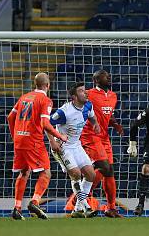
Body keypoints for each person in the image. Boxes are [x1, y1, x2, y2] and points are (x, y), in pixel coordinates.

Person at [7, 72, 68, 220]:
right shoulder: (45, 100)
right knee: (46, 173)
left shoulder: (24, 97)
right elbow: (45, 124)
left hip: (19, 140)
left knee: (24, 172)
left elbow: (10, 117)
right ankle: (35, 201)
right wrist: (60, 137)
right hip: (32, 141)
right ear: (47, 85)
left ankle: (17, 208)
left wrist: (14, 136)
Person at [50, 82, 101, 218]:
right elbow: (46, 124)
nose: (86, 93)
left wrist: (95, 124)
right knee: (76, 174)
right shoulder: (64, 111)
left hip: (76, 145)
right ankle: (86, 207)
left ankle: (77, 209)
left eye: (85, 90)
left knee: (91, 174)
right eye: (81, 91)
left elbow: (92, 116)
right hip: (62, 147)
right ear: (74, 96)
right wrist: (54, 140)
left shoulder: (88, 106)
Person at [80, 70, 124, 218]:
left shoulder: (113, 96)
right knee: (103, 166)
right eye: (105, 75)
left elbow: (107, 115)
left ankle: (111, 208)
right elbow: (75, 107)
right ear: (97, 80)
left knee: (109, 171)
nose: (109, 76)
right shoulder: (88, 94)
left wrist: (115, 124)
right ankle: (82, 197)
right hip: (90, 135)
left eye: (109, 75)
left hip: (104, 136)